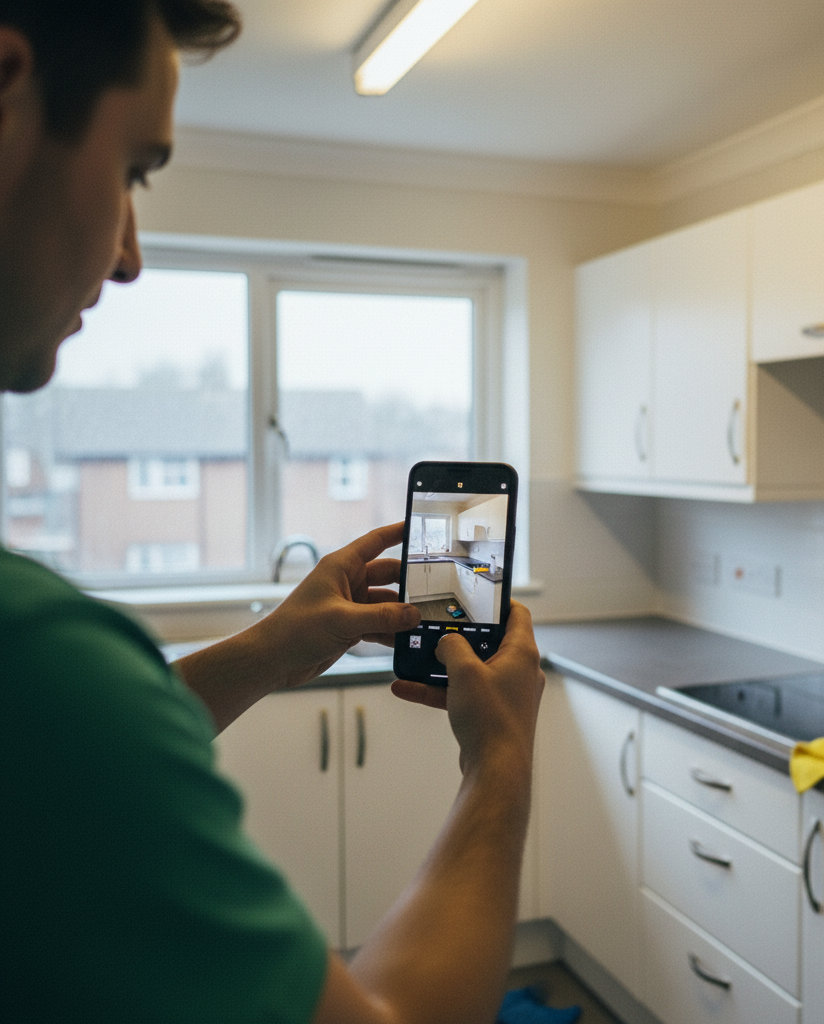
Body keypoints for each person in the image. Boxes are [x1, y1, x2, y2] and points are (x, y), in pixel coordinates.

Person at [0, 2, 545, 1021]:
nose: (129, 257)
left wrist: (268, 652)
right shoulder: (36, 656)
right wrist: (500, 762)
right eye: (133, 170)